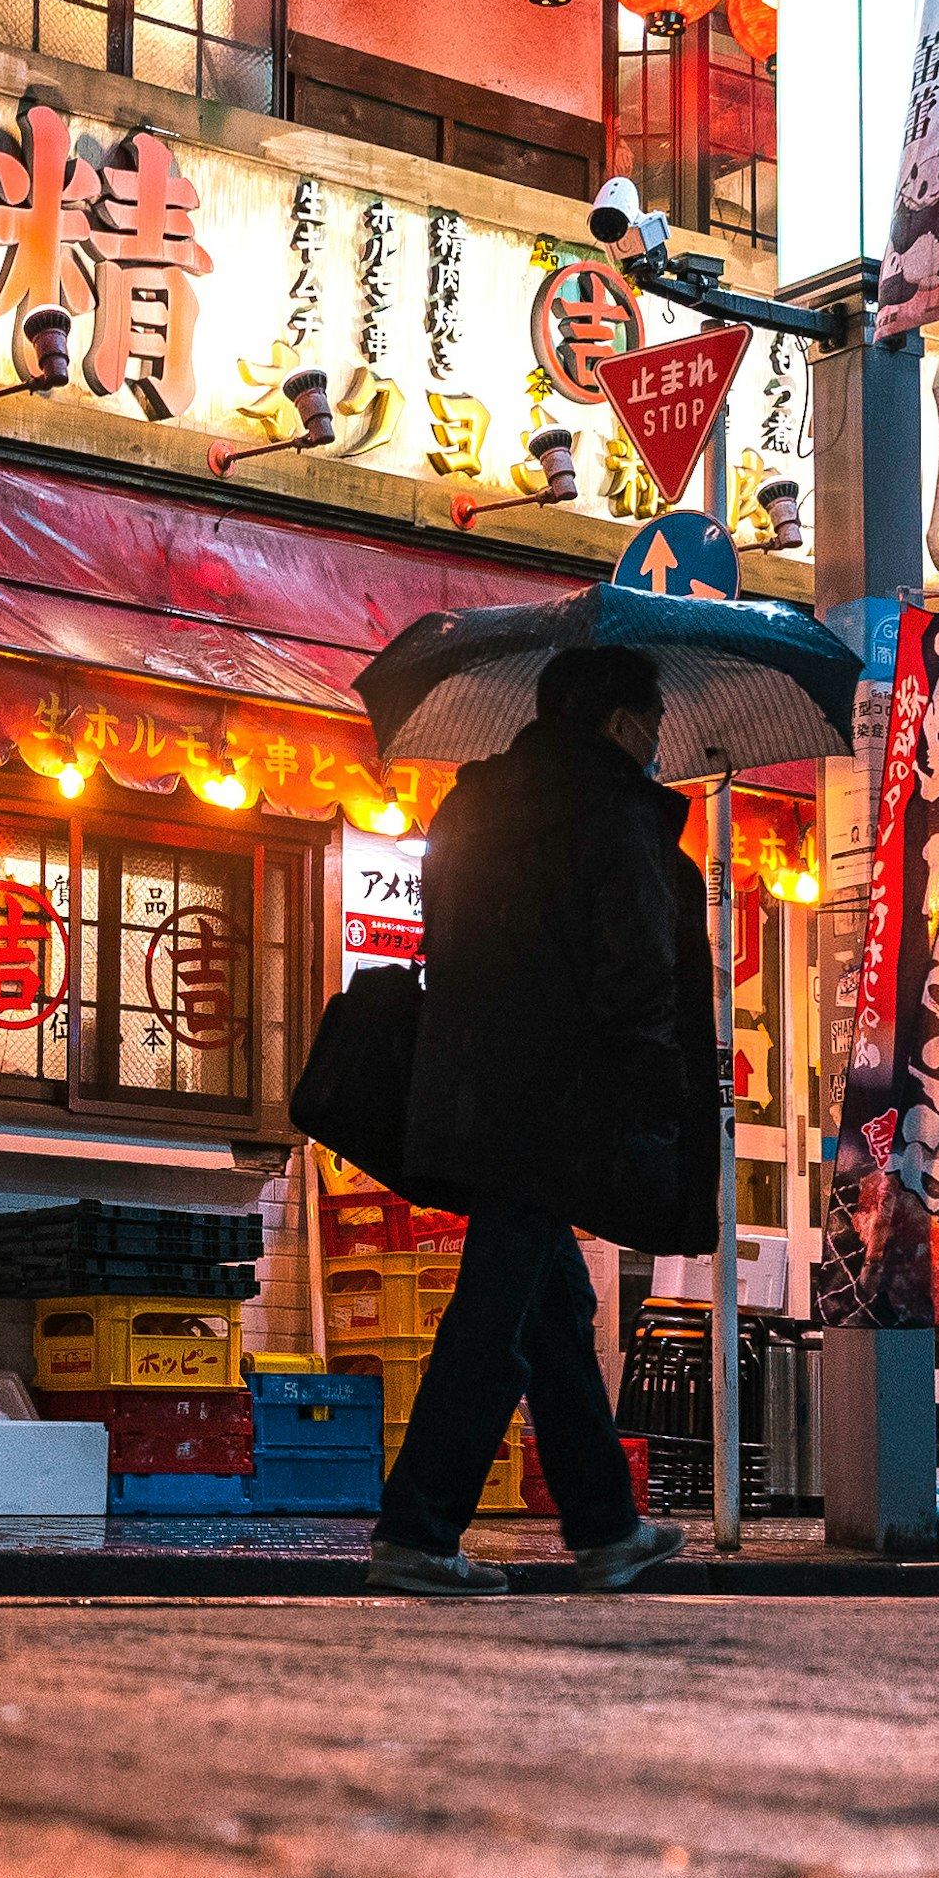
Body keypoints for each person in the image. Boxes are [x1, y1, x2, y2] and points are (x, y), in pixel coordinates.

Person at [369, 635, 717, 1598]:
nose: (658, 743)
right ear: (617, 722)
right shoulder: (613, 814)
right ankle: (419, 1527)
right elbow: (638, 975)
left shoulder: (473, 802)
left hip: (469, 1090)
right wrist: (655, 1097)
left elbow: (443, 935)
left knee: (553, 1306)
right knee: (498, 1314)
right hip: (557, 1106)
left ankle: (604, 1524)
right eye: (652, 723)